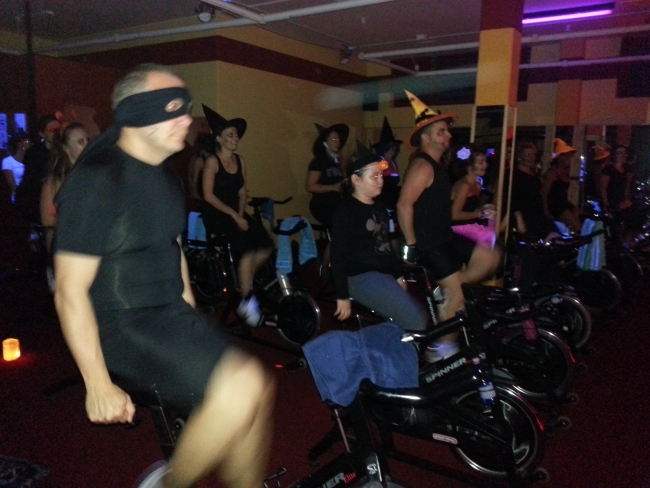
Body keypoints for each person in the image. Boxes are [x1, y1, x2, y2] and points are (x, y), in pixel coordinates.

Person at [53, 64, 274, 488]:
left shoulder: (166, 174)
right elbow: (69, 290)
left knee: (256, 391)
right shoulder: (99, 179)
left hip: (167, 313)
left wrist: (189, 309)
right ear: (135, 113)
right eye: (174, 109)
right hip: (119, 322)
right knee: (240, 387)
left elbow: (172, 246)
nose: (187, 121)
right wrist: (97, 384)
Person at [396, 91, 501, 362]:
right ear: (426, 137)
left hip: (443, 236)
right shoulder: (422, 166)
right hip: (429, 243)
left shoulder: (437, 165)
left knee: (490, 254)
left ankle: (450, 293)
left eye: (446, 131)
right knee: (458, 294)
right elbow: (403, 204)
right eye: (441, 132)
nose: (448, 136)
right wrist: (411, 245)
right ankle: (439, 350)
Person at [331, 141, 428, 331]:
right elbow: (337, 254)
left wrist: (398, 274)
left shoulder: (379, 207)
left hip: (381, 272)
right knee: (417, 321)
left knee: (412, 315)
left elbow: (386, 245)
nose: (380, 180)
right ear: (356, 180)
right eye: (374, 176)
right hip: (359, 276)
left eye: (381, 175)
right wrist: (342, 295)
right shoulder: (346, 211)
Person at [200, 104, 273, 327]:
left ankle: (243, 282)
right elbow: (208, 196)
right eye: (230, 135)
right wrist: (235, 216)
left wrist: (241, 214)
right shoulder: (212, 162)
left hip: (236, 212)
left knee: (266, 244)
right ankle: (246, 300)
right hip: (217, 213)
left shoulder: (241, 161)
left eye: (236, 135)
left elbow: (242, 192)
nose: (235, 138)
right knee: (247, 248)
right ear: (219, 139)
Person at [40, 122, 89, 253]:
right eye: (80, 142)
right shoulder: (56, 180)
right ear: (66, 149)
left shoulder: (92, 174)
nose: (87, 145)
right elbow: (47, 218)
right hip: (66, 248)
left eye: (87, 140)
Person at [15, 115, 61, 223]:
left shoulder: (64, 151)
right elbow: (34, 180)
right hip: (37, 204)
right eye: (52, 130)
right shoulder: (34, 153)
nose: (57, 133)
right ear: (42, 133)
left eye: (59, 129)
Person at [450, 145, 496, 248]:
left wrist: (486, 208)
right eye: (481, 162)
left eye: (485, 161)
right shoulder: (464, 186)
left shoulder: (478, 185)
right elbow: (455, 215)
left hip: (470, 227)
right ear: (469, 166)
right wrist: (482, 214)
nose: (485, 165)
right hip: (457, 231)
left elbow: (472, 209)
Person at [305, 122, 349, 228]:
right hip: (323, 205)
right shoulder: (319, 161)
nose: (337, 142)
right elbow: (310, 186)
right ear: (325, 141)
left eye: (338, 139)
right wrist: (333, 187)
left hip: (338, 204)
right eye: (333, 139)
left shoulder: (337, 161)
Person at [510, 141, 555, 240]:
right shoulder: (515, 175)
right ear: (520, 157)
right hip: (524, 214)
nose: (531, 158)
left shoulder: (534, 174)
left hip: (536, 214)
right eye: (527, 155)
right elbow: (514, 198)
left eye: (533, 155)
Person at [542, 138, 581, 233]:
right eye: (568, 157)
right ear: (560, 158)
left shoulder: (565, 172)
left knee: (577, 218)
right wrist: (546, 211)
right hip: (555, 206)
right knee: (575, 225)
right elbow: (544, 193)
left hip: (563, 203)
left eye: (570, 157)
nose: (570, 159)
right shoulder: (552, 173)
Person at [372, 116, 402, 211]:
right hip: (382, 200)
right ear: (384, 148)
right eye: (390, 148)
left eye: (394, 147)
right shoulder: (380, 161)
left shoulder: (393, 162)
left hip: (393, 199)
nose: (392, 150)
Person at [600, 144, 633, 215]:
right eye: (619, 153)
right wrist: (606, 205)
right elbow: (603, 189)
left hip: (623, 202)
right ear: (614, 155)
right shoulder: (608, 169)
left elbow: (627, 186)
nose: (623, 155)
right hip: (611, 201)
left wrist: (627, 200)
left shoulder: (627, 169)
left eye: (624, 153)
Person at [2, 133, 30, 201]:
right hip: (18, 197)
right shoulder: (7, 161)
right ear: (19, 144)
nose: (28, 144)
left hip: (30, 196)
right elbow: (11, 184)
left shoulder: (30, 160)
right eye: (26, 141)